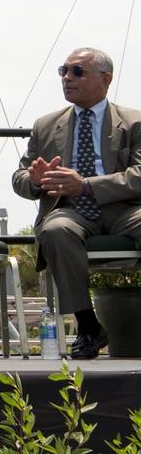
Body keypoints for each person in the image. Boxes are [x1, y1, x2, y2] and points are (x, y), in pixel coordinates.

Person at [11, 47, 141, 359]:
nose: (67, 78)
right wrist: (36, 181)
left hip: (125, 209)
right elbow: (20, 177)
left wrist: (86, 185)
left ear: (105, 79)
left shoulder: (134, 123)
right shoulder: (45, 125)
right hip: (70, 212)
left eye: (77, 72)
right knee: (56, 230)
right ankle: (87, 327)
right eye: (63, 71)